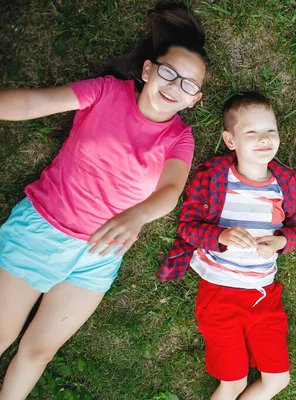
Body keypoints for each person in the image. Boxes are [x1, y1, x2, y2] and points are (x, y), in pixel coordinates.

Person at [0, 3, 209, 398]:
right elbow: (34, 103)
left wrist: (137, 216)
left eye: (188, 85)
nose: (174, 86)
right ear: (148, 70)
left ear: (194, 99)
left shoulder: (180, 138)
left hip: (100, 257)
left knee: (39, 352)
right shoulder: (107, 92)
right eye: (169, 73)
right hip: (44, 228)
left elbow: (169, 192)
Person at [159, 91, 296, 400]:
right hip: (220, 292)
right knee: (233, 382)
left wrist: (280, 242)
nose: (264, 139)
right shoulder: (214, 176)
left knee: (278, 379)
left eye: (271, 131)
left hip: (264, 296)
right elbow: (187, 226)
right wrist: (220, 237)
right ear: (230, 140)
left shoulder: (286, 182)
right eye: (251, 132)